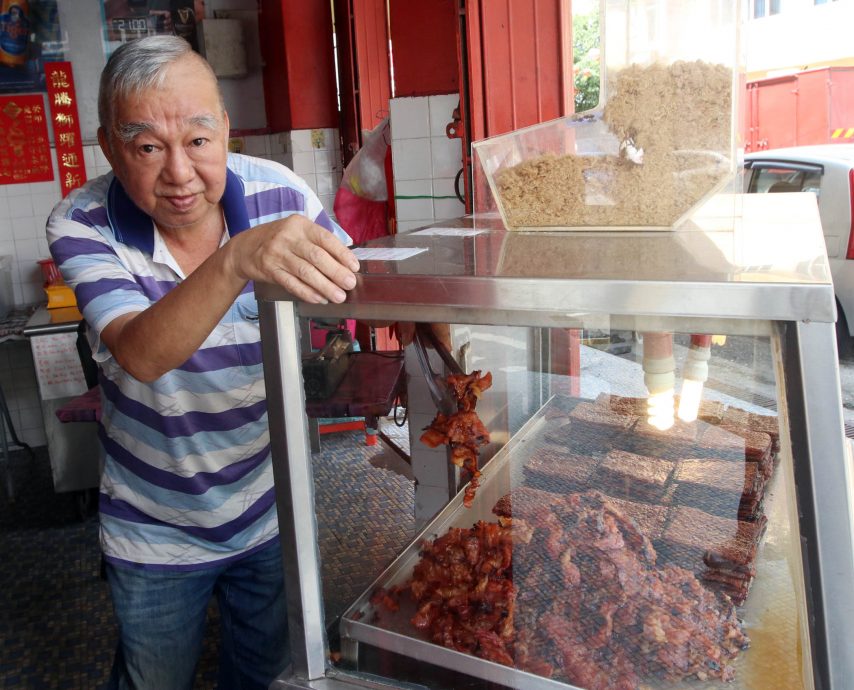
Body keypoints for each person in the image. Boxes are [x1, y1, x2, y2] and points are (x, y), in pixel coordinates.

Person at [46, 35, 359, 690]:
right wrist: (236, 258)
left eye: (197, 140)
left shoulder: (281, 194)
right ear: (109, 148)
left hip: (270, 510)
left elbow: (354, 281)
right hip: (155, 530)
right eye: (148, 148)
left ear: (225, 129)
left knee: (263, 676)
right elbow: (141, 353)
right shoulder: (81, 222)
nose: (180, 173)